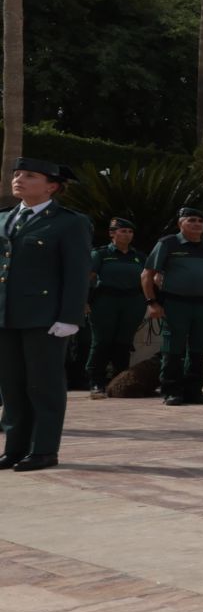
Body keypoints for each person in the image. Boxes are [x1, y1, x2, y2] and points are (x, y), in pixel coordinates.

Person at [0, 158, 91, 468]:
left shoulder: (69, 222)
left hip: (44, 318)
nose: (18, 179)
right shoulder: (3, 219)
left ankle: (43, 450)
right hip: (6, 317)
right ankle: (15, 448)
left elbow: (77, 273)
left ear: (51, 186)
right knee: (11, 387)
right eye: (16, 174)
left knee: (43, 386)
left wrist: (70, 317)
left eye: (29, 175)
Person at [142, 205, 203, 408]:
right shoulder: (168, 243)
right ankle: (172, 390)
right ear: (180, 224)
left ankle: (194, 390)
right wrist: (152, 303)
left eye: (200, 221)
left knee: (199, 348)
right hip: (175, 303)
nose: (197, 224)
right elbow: (147, 274)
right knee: (173, 348)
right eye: (191, 220)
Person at [85, 216, 145, 399]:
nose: (127, 235)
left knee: (123, 342)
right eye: (123, 231)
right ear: (112, 234)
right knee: (101, 341)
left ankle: (121, 381)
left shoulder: (139, 256)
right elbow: (88, 278)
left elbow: (149, 278)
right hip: (105, 301)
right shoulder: (101, 254)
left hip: (132, 301)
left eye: (130, 232)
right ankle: (96, 381)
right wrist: (83, 301)